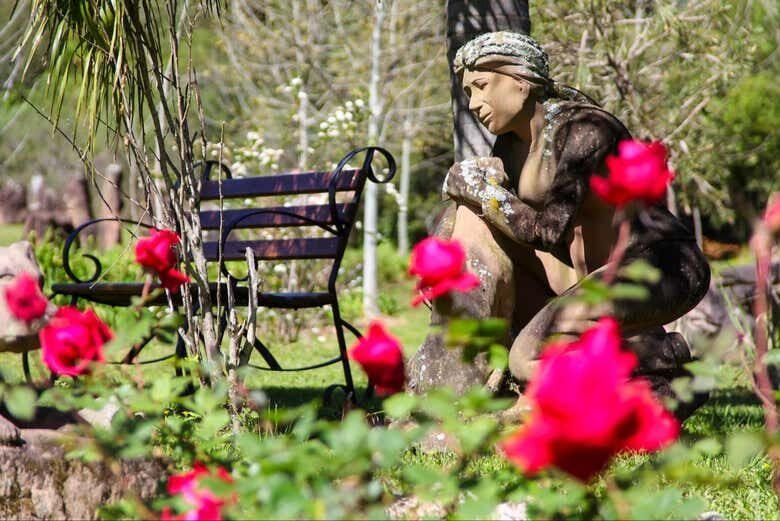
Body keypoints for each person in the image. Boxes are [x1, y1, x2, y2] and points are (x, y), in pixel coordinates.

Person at [409, 32, 710, 418]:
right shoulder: (511, 147)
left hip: (661, 265)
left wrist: (482, 193)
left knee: (527, 357)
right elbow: (486, 205)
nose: (474, 104)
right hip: (585, 274)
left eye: (481, 86)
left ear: (520, 79)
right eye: (468, 93)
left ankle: (649, 381)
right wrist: (443, 247)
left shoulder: (584, 128)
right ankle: (657, 374)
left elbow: (547, 230)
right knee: (533, 341)